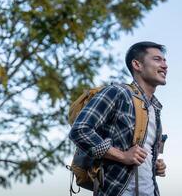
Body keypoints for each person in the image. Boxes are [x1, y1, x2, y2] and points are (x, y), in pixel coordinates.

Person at [69, 41, 168, 196]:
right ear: (137, 65)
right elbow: (80, 130)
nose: (164, 65)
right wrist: (122, 156)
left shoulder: (155, 109)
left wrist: (152, 165)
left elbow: (138, 153)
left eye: (164, 60)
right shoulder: (117, 92)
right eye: (157, 59)